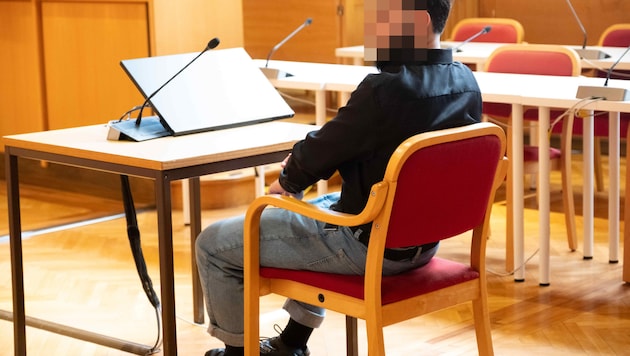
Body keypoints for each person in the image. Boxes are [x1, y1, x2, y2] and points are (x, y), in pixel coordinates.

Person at [196, 0, 482, 355]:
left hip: (366, 245)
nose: (375, 29)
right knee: (321, 206)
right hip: (422, 240)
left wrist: (287, 180)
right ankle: (291, 345)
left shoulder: (386, 89)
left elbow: (325, 148)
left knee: (213, 243)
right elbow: (346, 143)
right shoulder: (466, 81)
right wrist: (306, 163)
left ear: (419, 22)